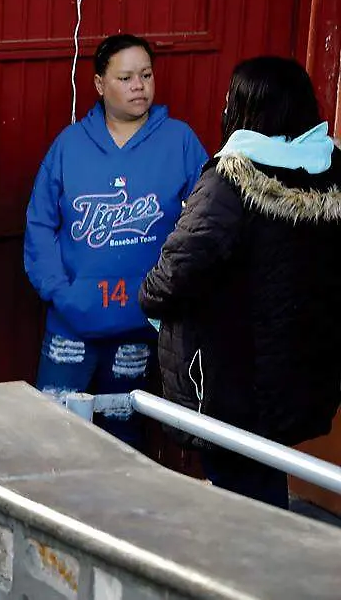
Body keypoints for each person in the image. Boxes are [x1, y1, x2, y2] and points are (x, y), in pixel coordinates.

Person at [140, 57, 341, 509]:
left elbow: (177, 270)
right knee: (263, 476)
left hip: (229, 376)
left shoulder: (233, 178)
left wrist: (147, 297)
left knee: (243, 494)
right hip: (298, 370)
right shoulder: (332, 169)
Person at [24, 34, 207, 448]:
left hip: (140, 323)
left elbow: (202, 227)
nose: (139, 86)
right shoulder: (69, 145)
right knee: (53, 433)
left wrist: (171, 295)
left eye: (146, 75)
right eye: (125, 77)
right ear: (99, 84)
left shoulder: (179, 142)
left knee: (123, 437)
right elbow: (40, 224)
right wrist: (59, 292)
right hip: (71, 322)